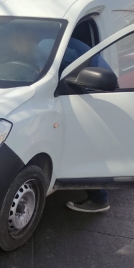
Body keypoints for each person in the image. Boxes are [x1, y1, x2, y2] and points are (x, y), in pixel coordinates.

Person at [34, 37, 112, 213]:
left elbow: (44, 75)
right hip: (90, 94)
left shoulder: (44, 44)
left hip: (90, 96)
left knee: (81, 147)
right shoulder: (58, 40)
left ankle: (99, 199)